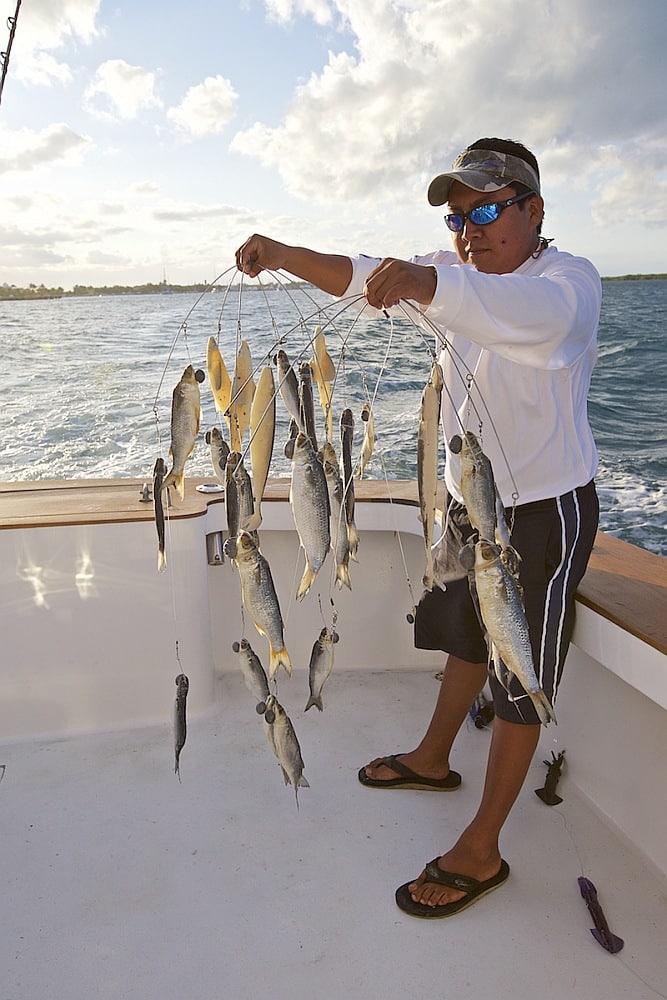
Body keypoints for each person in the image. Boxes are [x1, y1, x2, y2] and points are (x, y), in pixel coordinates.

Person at [236, 137, 601, 918]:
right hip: (473, 504)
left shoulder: (567, 281)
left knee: (518, 670)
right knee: (466, 632)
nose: (470, 228)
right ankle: (433, 758)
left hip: (540, 513)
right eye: (458, 215)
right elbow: (363, 274)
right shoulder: (457, 276)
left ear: (534, 210)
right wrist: (281, 251)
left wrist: (430, 281)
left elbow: (535, 321)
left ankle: (482, 847)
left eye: (489, 209)